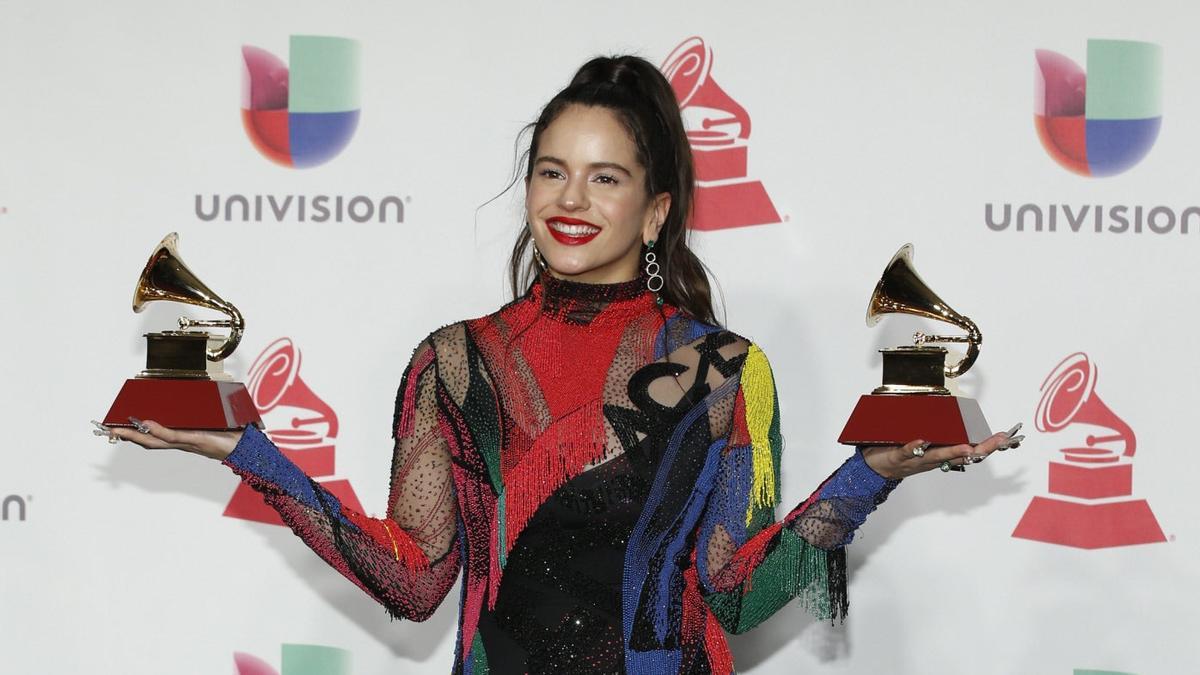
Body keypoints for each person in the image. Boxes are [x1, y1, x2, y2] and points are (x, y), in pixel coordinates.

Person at [101, 55, 1019, 674]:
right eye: (551, 171)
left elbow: (736, 593)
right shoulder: (454, 363)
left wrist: (871, 475)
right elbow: (416, 579)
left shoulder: (722, 370)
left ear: (657, 210)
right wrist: (245, 453)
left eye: (605, 177)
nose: (570, 201)